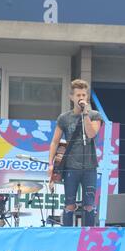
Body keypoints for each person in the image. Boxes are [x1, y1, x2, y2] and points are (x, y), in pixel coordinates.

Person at [48, 79, 103, 227]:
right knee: (69, 204)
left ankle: (89, 236)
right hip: (70, 167)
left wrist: (85, 114)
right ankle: (67, 234)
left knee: (89, 205)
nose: (81, 98)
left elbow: (92, 134)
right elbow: (54, 142)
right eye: (78, 95)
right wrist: (50, 164)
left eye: (84, 95)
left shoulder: (94, 115)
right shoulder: (64, 118)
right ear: (71, 97)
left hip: (90, 166)